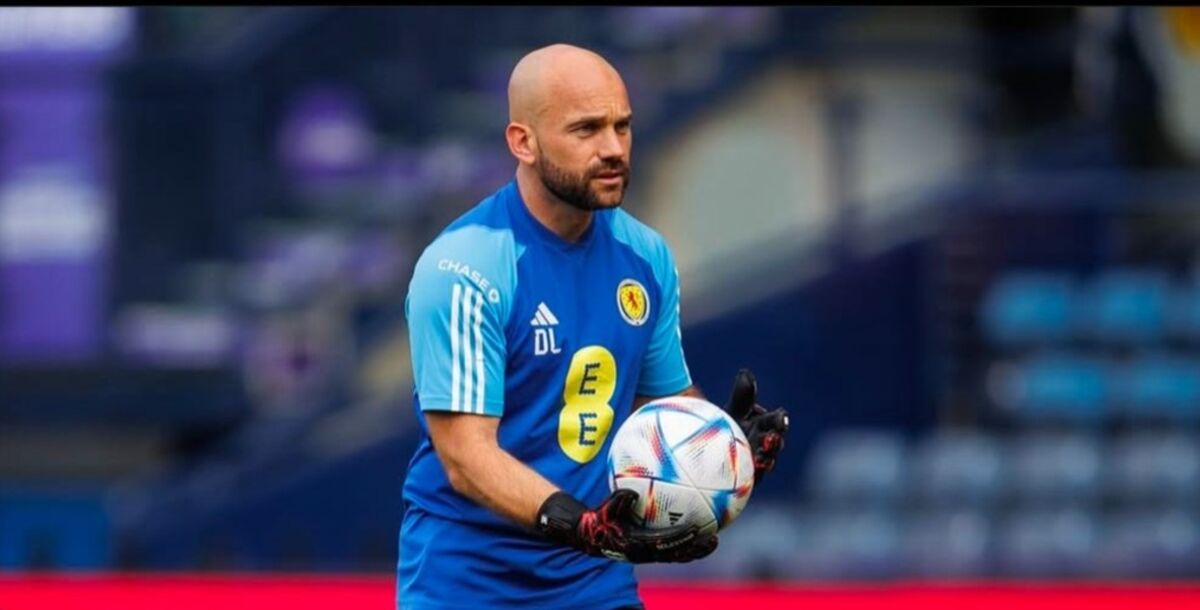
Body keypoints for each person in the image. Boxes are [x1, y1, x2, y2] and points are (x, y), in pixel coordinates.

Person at [398, 43, 789, 610]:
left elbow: (661, 407)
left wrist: (723, 447)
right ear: (522, 142)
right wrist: (578, 523)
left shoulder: (645, 256)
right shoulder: (464, 267)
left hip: (593, 580)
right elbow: (464, 459)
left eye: (622, 127)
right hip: (467, 583)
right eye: (586, 130)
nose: (613, 149)